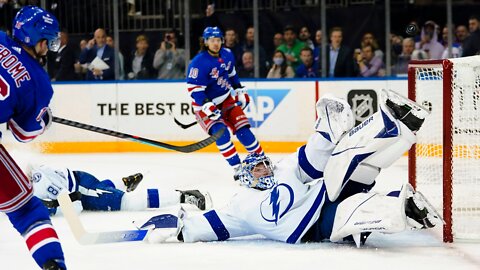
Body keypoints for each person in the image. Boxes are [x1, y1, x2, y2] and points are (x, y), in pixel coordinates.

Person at [138, 90, 440, 247]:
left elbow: (311, 159)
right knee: (351, 212)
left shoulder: (283, 169)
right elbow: (212, 227)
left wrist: (326, 131)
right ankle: (407, 209)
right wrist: (181, 228)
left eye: (264, 164)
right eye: (256, 170)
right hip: (314, 228)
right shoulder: (239, 205)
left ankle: (400, 123)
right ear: (245, 177)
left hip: (324, 195)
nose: (264, 170)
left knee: (350, 158)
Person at [0, 6, 67, 270]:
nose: (49, 46)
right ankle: (53, 264)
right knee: (28, 212)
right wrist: (43, 121)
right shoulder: (39, 81)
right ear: (36, 40)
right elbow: (23, 133)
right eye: (47, 41)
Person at [186, 26, 264, 178]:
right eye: (212, 40)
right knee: (222, 134)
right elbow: (194, 90)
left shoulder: (228, 54)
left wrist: (240, 90)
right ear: (206, 42)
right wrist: (207, 105)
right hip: (204, 106)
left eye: (218, 40)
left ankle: (262, 161)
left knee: (244, 131)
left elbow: (232, 74)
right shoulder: (198, 63)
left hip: (227, 100)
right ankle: (238, 168)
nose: (216, 43)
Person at [28, 165, 212, 215]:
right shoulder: (27, 175)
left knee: (129, 203)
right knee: (102, 190)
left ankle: (185, 195)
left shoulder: (39, 181)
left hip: (82, 190)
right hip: (82, 183)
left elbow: (75, 205)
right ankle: (123, 182)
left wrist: (50, 207)